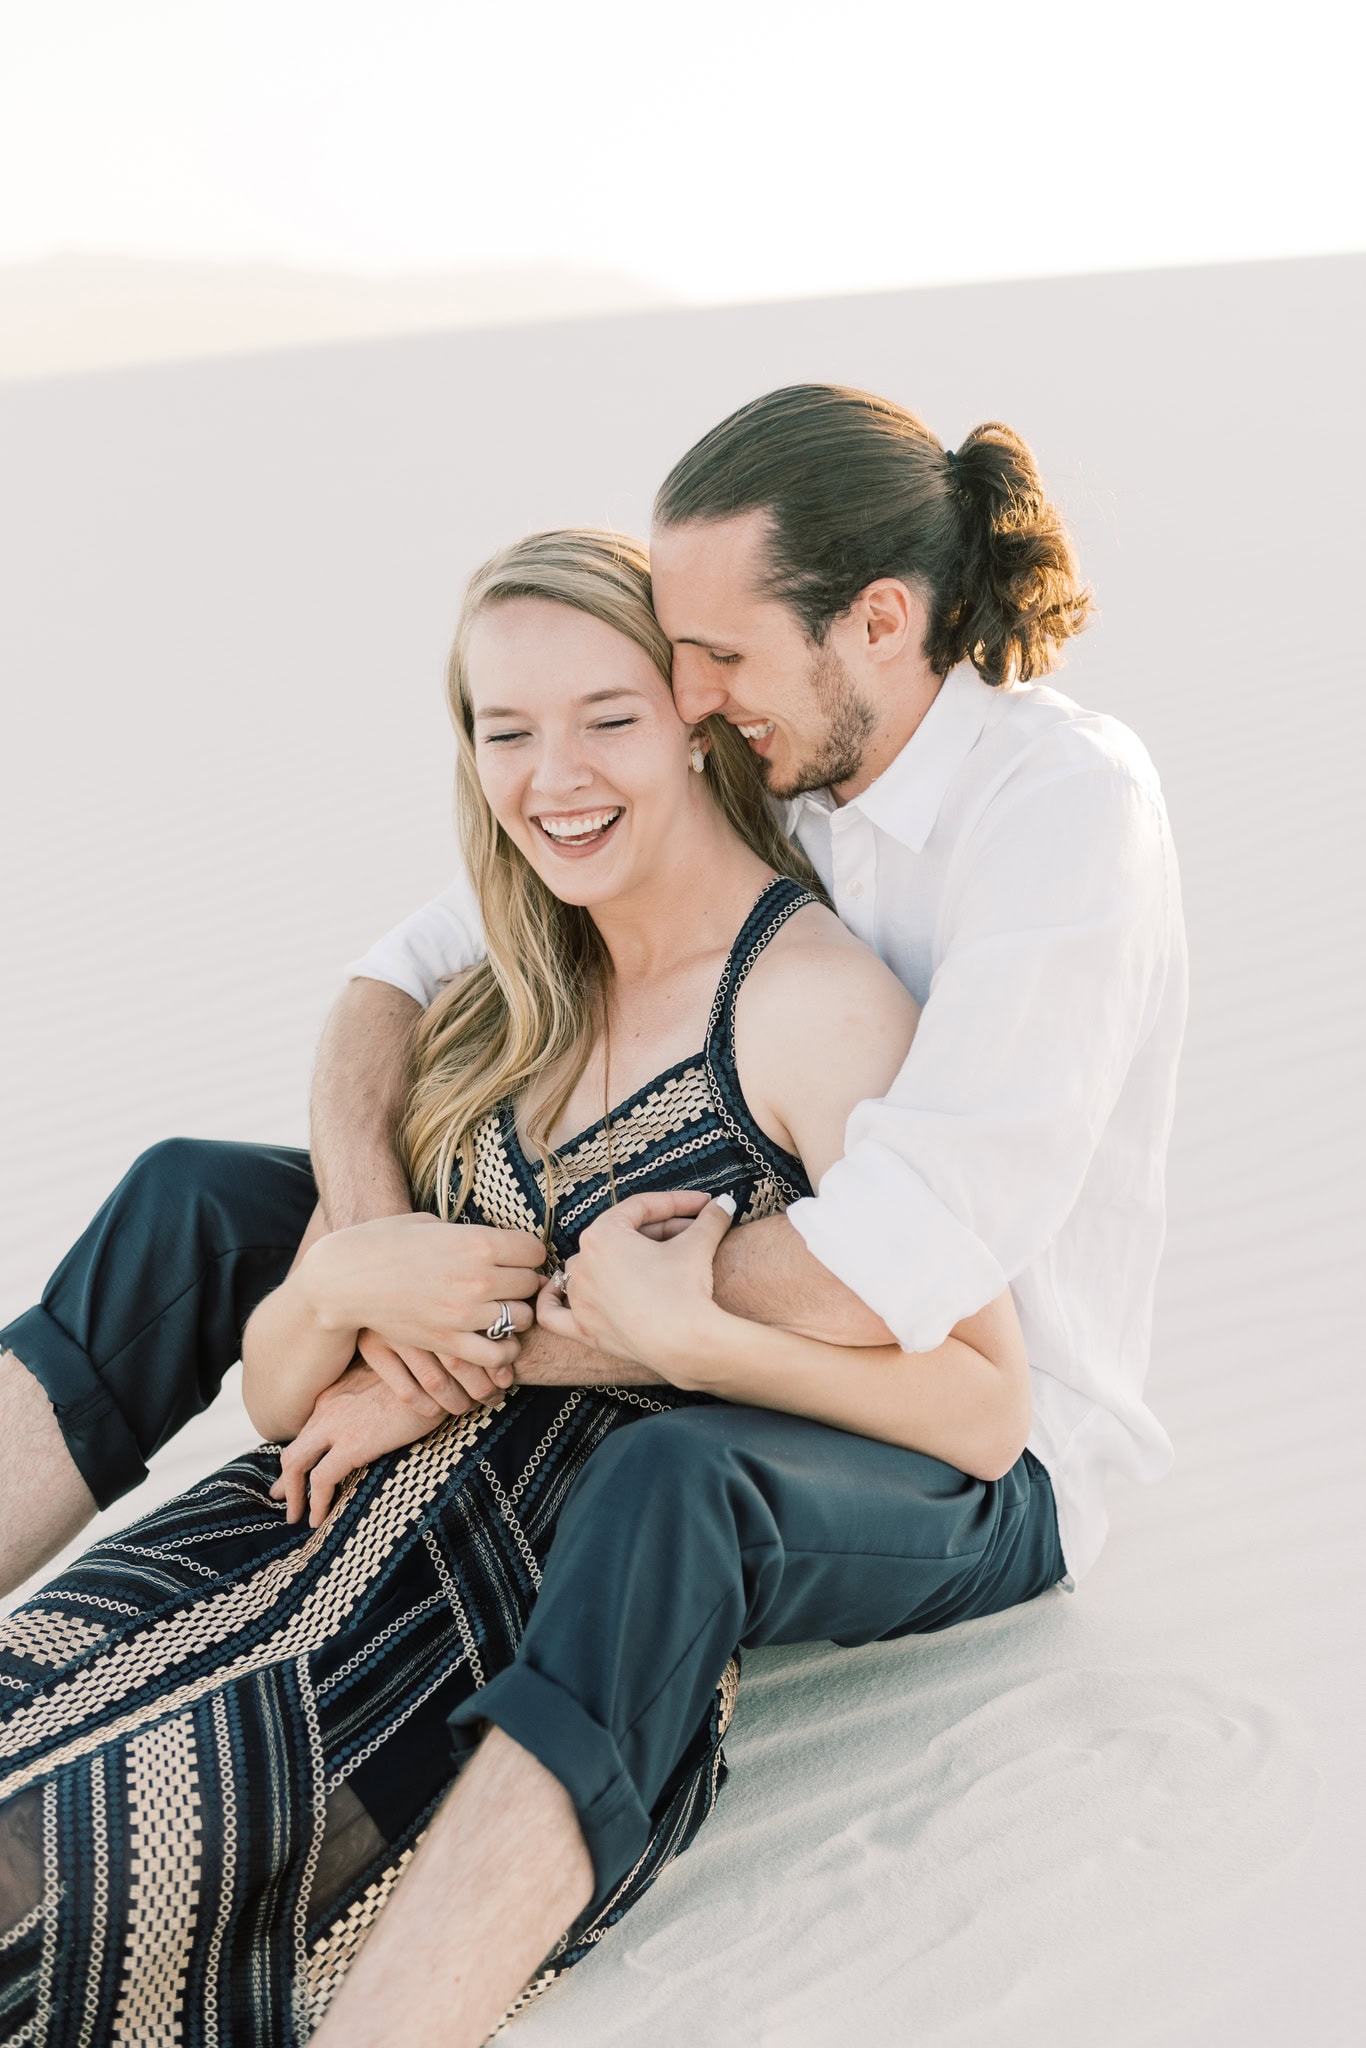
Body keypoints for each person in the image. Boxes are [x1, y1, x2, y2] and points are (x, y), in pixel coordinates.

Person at [0, 384, 1186, 2045]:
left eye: (701, 669)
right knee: (201, 1196)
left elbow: (915, 1270)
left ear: (876, 621)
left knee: (666, 1473)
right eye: (663, 666)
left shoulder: (1050, 820)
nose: (692, 696)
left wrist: (498, 1333)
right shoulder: (776, 757)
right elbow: (401, 971)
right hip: (653, 1269)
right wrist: (361, 1259)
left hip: (962, 1422)